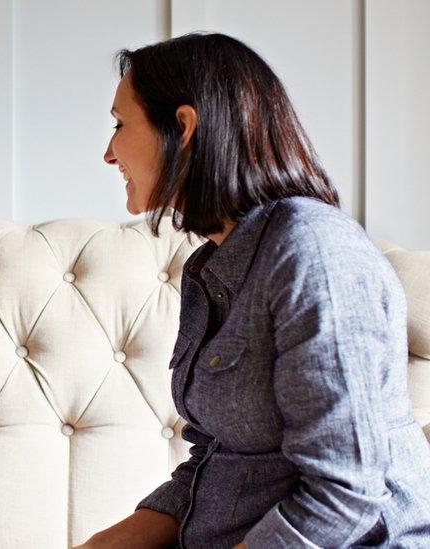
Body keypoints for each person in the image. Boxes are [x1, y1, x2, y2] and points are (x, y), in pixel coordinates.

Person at [75, 33, 430, 548]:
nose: (109, 153)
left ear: (183, 126)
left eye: (120, 124)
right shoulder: (212, 268)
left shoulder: (315, 253)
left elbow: (345, 494)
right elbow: (215, 463)